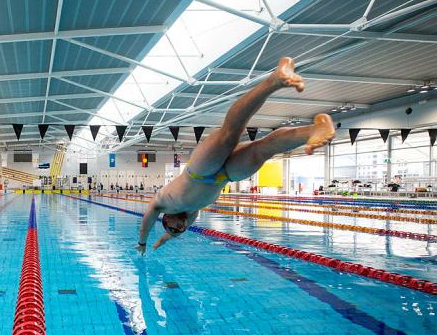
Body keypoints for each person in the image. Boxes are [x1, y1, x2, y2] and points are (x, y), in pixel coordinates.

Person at [136, 57, 335, 254]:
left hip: (200, 170)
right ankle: (314, 129)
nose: (180, 227)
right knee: (263, 149)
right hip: (226, 176)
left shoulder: (161, 203)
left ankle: (274, 80)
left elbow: (146, 223)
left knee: (230, 133)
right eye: (180, 230)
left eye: (174, 227)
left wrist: (143, 243)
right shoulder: (190, 215)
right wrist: (166, 238)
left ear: (166, 218)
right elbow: (172, 234)